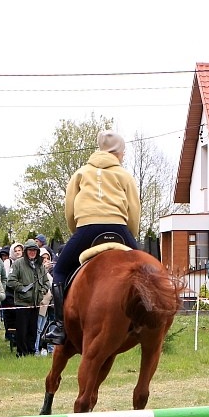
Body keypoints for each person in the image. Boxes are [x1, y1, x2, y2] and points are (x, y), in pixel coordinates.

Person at [43, 130, 141, 346]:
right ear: (117, 152)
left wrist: (77, 231)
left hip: (86, 229)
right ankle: (144, 320)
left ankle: (59, 326)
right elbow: (134, 210)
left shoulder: (80, 173)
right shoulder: (124, 175)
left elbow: (69, 209)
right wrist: (130, 234)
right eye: (123, 152)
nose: (123, 156)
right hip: (119, 227)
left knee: (59, 271)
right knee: (146, 270)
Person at [6, 241, 48, 357]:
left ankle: (30, 352)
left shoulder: (40, 265)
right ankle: (21, 353)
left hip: (35, 303)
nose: (32, 252)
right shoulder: (18, 264)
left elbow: (46, 282)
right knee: (22, 331)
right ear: (26, 252)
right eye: (30, 250)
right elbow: (11, 281)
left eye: (34, 250)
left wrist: (42, 290)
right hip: (22, 303)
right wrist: (22, 289)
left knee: (33, 330)